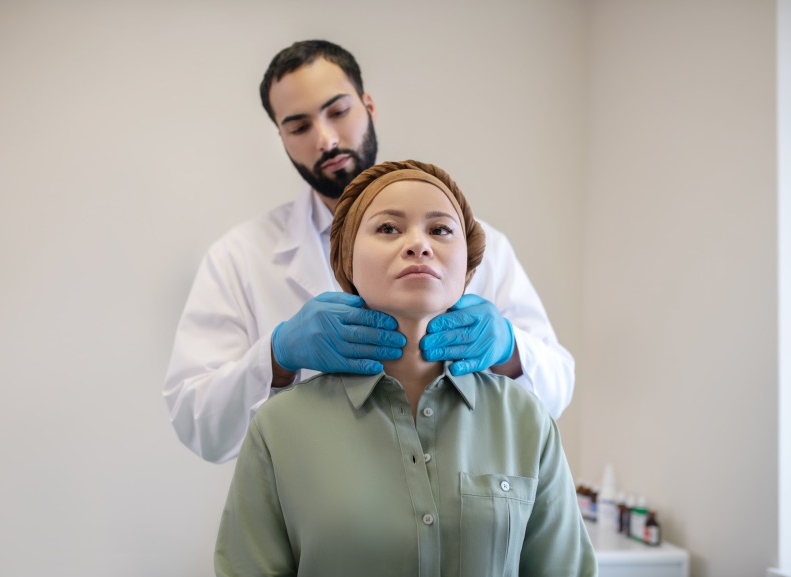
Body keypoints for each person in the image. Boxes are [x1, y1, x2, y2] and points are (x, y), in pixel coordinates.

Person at [163, 40, 575, 464]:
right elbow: (196, 421)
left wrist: (509, 349)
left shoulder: (468, 243)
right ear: (282, 137)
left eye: (338, 112)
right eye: (300, 126)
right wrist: (277, 355)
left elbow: (556, 386)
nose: (326, 140)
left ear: (368, 106)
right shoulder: (240, 257)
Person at [214, 160, 596, 576]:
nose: (419, 245)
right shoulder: (278, 427)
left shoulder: (524, 420)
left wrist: (510, 345)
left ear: (469, 266)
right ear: (346, 262)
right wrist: (278, 352)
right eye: (388, 229)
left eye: (440, 230)